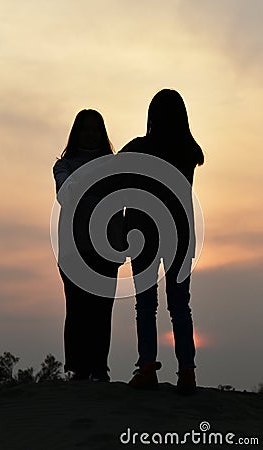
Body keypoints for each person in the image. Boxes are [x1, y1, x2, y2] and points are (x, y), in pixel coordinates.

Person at [119, 89, 204, 393]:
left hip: (143, 232)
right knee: (180, 306)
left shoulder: (140, 147)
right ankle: (187, 372)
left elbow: (114, 173)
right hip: (178, 233)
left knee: (146, 305)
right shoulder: (189, 151)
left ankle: (147, 368)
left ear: (151, 116)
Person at [53, 109, 124, 382]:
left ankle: (99, 367)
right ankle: (78, 368)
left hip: (107, 247)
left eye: (96, 129)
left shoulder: (115, 164)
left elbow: (123, 200)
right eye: (86, 129)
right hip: (74, 248)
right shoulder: (64, 165)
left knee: (102, 309)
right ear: (77, 133)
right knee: (77, 308)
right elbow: (66, 194)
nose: (91, 134)